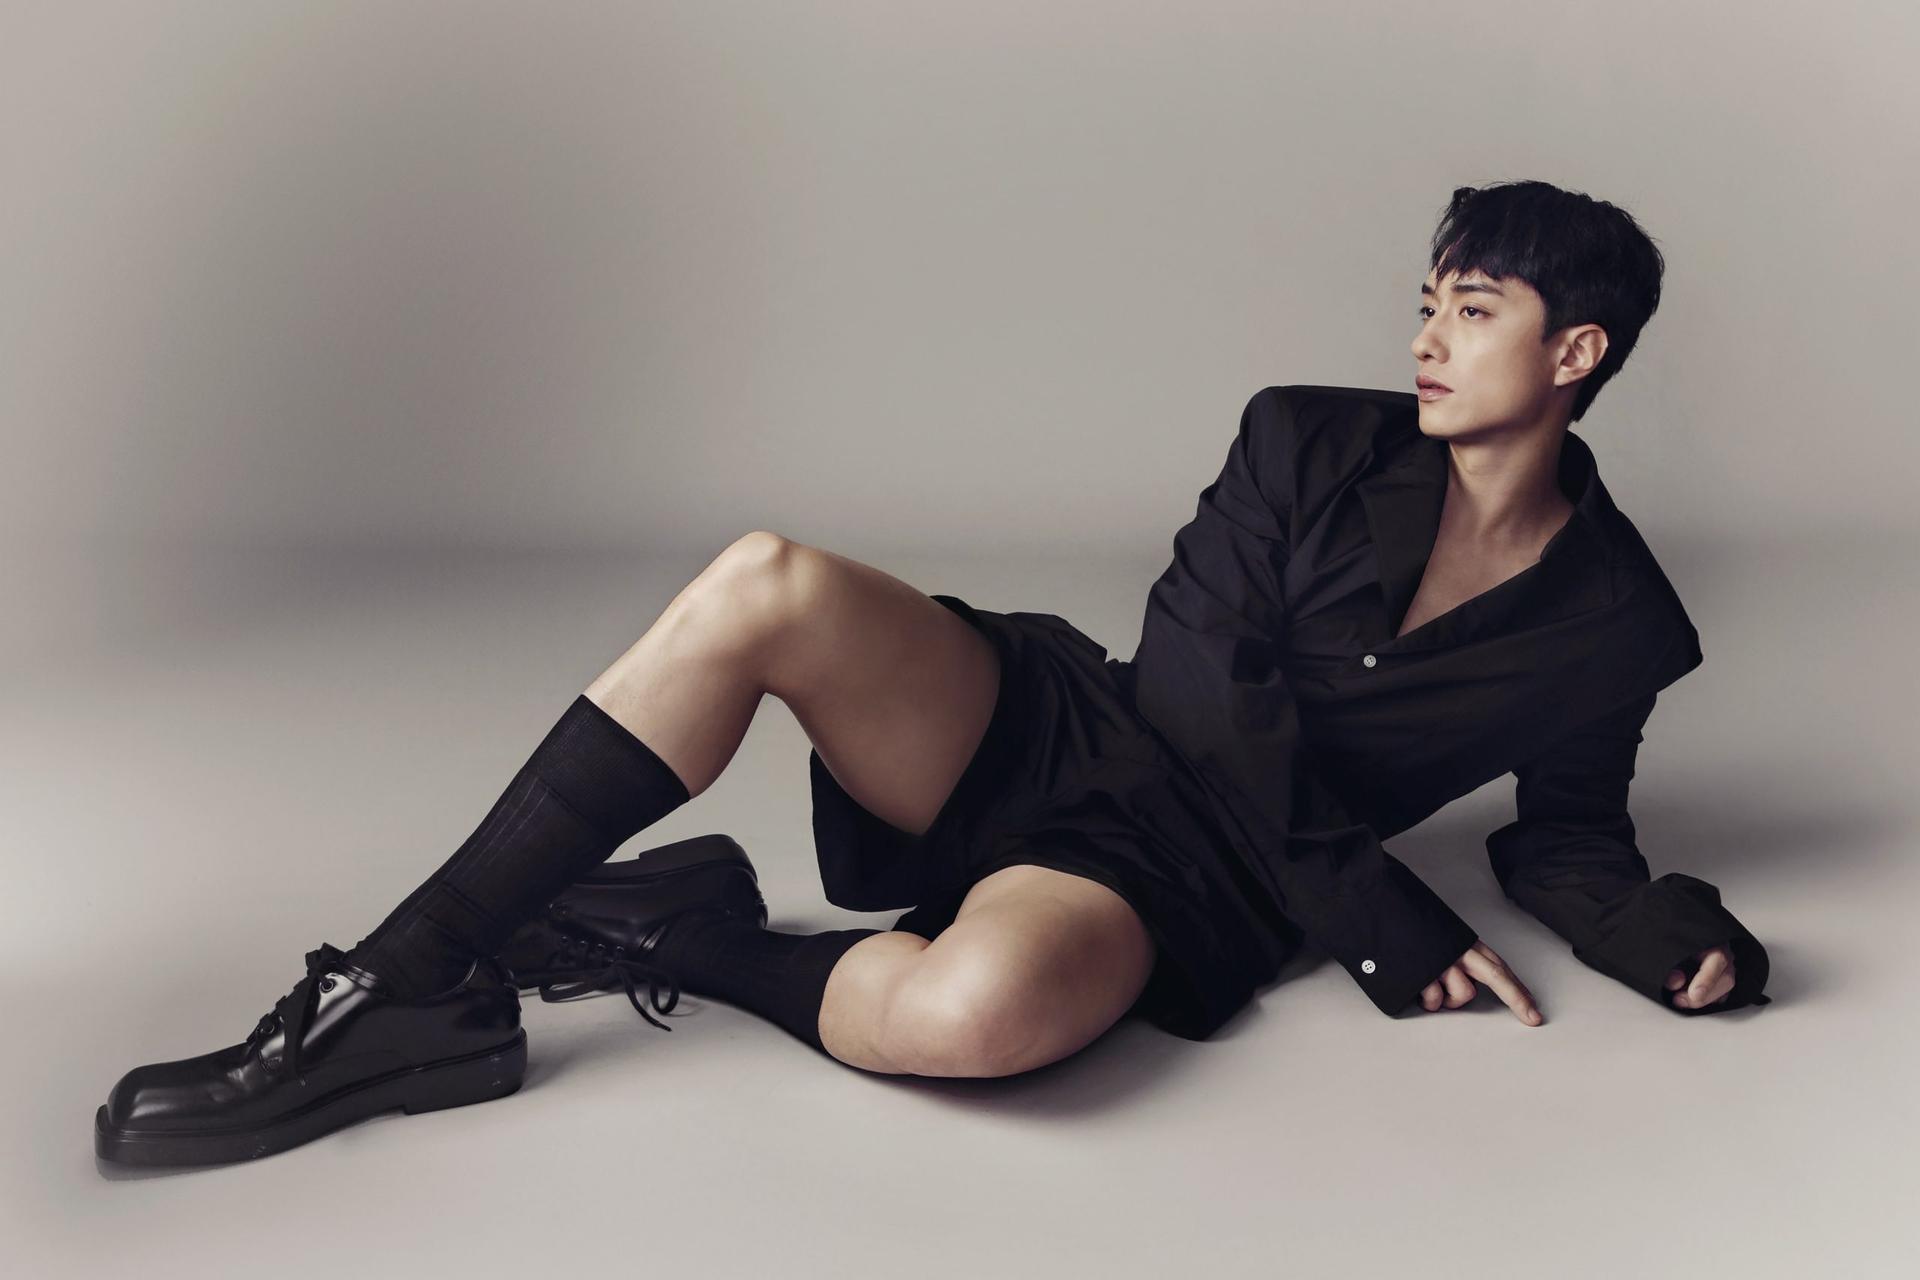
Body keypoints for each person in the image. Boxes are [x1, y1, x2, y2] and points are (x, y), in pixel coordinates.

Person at [94, 178, 1769, 1168]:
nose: (1422, 340)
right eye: (1424, 303)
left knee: (971, 1022)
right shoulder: (1304, 438)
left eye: (1470, 312)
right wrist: (1378, 911)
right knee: (764, 582)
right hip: (1067, 726)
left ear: (1574, 352)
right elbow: (1195, 679)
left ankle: (682, 931)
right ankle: (399, 988)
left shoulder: (1617, 624)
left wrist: (1675, 942)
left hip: (1186, 880)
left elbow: (1569, 834)